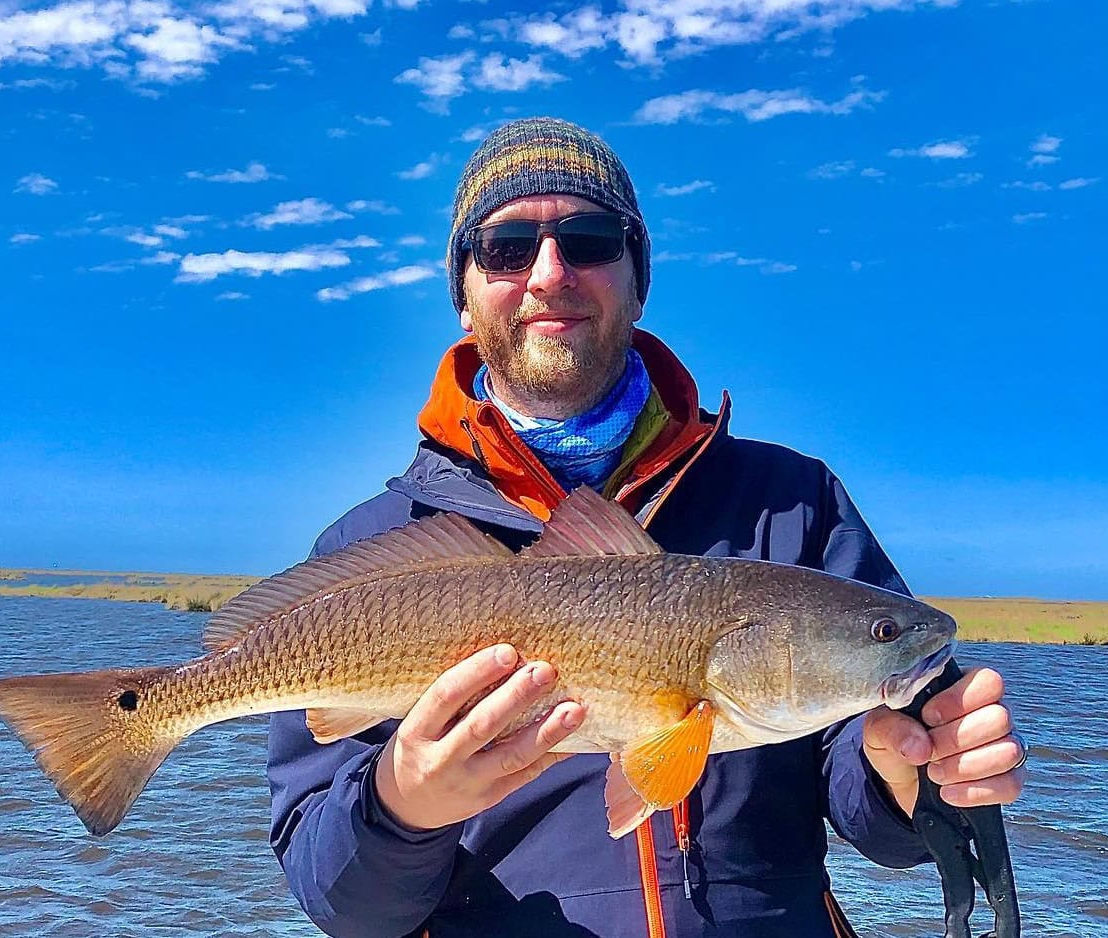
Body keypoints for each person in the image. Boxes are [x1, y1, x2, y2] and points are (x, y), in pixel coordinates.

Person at [265, 117, 1026, 938]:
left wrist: (904, 774)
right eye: (508, 248)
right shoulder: (367, 552)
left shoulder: (796, 501)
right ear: (464, 290)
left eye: (589, 239)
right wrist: (399, 804)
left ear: (637, 277)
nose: (549, 274)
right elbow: (340, 902)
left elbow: (867, 793)